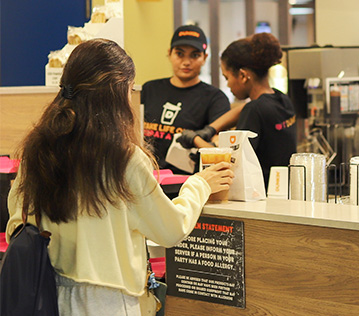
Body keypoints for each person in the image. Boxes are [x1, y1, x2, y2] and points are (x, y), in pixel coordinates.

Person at [6, 39, 234, 315]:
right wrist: (199, 185)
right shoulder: (124, 158)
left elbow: (17, 221)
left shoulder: (39, 147)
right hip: (110, 302)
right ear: (116, 92)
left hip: (49, 294)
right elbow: (170, 229)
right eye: (130, 88)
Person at [141, 24, 230, 173]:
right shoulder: (149, 89)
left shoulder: (215, 98)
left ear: (204, 57)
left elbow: (220, 151)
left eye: (194, 55)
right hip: (145, 178)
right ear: (169, 54)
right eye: (180, 54)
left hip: (189, 185)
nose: (186, 62)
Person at [220, 32, 297, 188]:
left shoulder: (254, 110)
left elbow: (234, 164)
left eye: (227, 77)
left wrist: (195, 140)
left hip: (262, 195)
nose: (228, 85)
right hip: (285, 189)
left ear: (242, 75)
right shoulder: (282, 99)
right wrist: (211, 128)